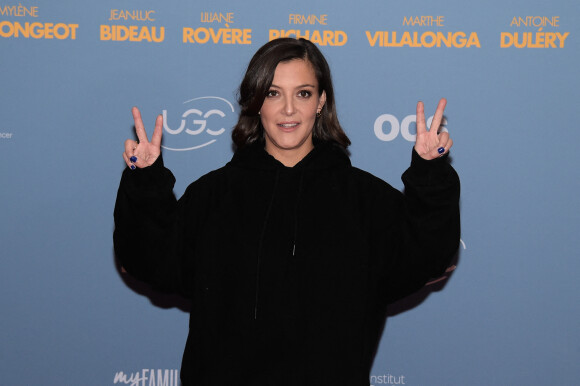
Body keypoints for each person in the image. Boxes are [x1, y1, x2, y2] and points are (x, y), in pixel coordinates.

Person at [114, 38, 460, 386]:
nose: (289, 110)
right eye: (273, 93)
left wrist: (430, 174)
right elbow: (152, 260)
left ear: (321, 101)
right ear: (255, 102)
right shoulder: (213, 196)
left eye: (303, 93)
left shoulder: (365, 199)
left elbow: (424, 257)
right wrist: (145, 182)